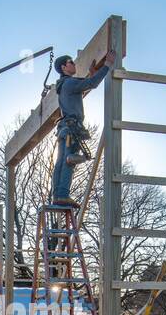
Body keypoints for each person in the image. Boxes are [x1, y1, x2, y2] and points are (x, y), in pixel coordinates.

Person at [50, 49, 116, 206]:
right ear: (64, 68)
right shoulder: (69, 83)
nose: (74, 64)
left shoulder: (64, 85)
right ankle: (63, 194)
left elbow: (85, 84)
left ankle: (58, 195)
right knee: (69, 161)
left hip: (64, 129)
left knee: (61, 162)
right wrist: (107, 64)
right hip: (71, 129)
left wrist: (92, 74)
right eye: (71, 62)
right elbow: (91, 84)